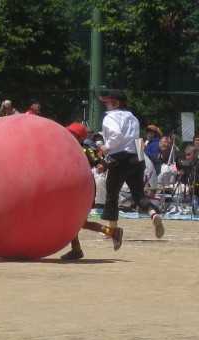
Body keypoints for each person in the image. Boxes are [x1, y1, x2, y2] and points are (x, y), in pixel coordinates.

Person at [98, 89, 165, 239]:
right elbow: (138, 139)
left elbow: (115, 135)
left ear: (115, 103)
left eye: (107, 102)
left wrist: (105, 147)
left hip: (119, 159)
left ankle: (112, 231)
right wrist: (141, 161)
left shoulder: (110, 117)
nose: (106, 105)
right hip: (136, 158)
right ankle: (153, 214)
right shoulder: (133, 117)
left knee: (112, 196)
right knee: (139, 196)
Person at [60, 122, 123, 260]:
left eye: (72, 133)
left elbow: (100, 161)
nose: (67, 135)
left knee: (75, 221)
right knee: (77, 222)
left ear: (79, 137)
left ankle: (79, 249)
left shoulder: (84, 150)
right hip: (69, 189)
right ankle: (111, 233)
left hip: (83, 190)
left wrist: (101, 165)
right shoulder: (64, 149)